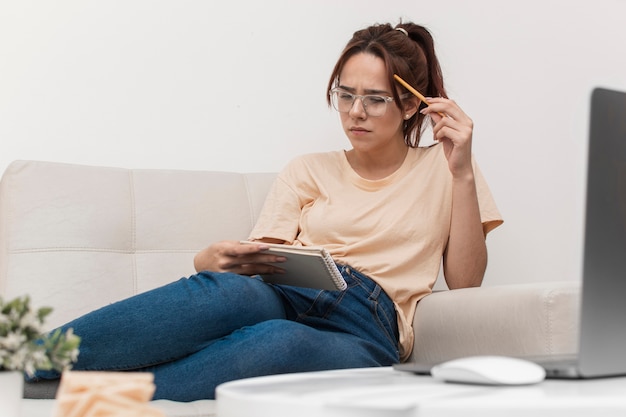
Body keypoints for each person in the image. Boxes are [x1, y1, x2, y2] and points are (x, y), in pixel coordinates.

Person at [31, 21, 502, 401]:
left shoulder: (448, 167)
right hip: (295, 288)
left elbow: (466, 282)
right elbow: (265, 260)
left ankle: (88, 392)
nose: (355, 112)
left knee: (278, 342)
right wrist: (214, 261)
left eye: (375, 99)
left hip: (368, 322)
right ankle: (32, 355)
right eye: (345, 94)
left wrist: (461, 174)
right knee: (230, 294)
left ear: (412, 105)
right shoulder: (307, 170)